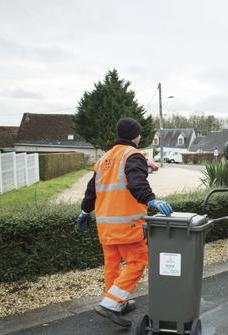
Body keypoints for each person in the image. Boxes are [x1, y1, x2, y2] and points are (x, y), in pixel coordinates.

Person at [75, 117, 173, 328]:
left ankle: (116, 303)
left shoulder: (104, 159)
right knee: (137, 261)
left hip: (105, 225)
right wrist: (151, 199)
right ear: (136, 136)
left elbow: (91, 191)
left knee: (112, 265)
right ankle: (111, 304)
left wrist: (84, 211)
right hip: (126, 224)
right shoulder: (133, 155)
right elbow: (136, 182)